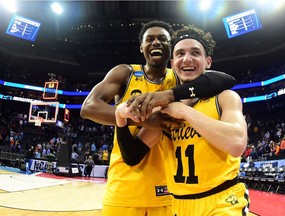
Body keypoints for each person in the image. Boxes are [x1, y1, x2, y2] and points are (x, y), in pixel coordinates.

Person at [80, 20, 236, 216]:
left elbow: (222, 79)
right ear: (141, 47)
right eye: (149, 39)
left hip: (168, 190)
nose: (155, 43)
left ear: (170, 49)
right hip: (125, 184)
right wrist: (142, 119)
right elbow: (88, 107)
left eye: (163, 39)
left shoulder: (180, 77)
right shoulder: (126, 72)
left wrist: (168, 95)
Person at [115, 25, 250, 215]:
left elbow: (237, 144)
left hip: (222, 199)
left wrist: (186, 112)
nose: (187, 59)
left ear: (208, 61)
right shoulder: (165, 112)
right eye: (180, 54)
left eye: (195, 53)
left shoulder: (224, 97)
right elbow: (132, 156)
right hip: (179, 205)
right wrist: (119, 117)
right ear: (173, 63)